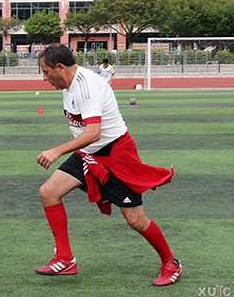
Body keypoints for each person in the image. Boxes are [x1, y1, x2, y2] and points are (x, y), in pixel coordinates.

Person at [34, 44, 182, 286]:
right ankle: (65, 259)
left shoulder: (88, 85)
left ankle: (170, 262)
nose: (44, 78)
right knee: (49, 192)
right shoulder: (67, 85)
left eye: (46, 71)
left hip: (115, 154)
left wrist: (56, 151)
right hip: (88, 153)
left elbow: (93, 132)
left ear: (60, 67)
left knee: (135, 219)